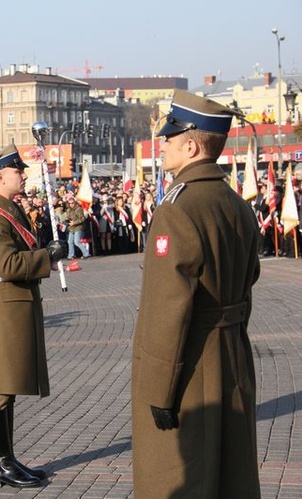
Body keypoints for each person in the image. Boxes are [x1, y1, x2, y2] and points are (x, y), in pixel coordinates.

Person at [131, 90, 261, 498]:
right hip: (233, 357)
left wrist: (157, 390)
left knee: (180, 480)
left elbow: (168, 309)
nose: (164, 143)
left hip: (189, 368)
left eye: (171, 136)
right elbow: (249, 277)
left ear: (191, 144)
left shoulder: (178, 208)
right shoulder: (236, 204)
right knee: (229, 477)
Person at [0, 145, 66, 488]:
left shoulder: (10, 211)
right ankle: (0, 464)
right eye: (17, 171)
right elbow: (6, 264)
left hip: (15, 302)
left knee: (6, 385)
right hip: (4, 303)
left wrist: (44, 253)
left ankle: (7, 459)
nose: (23, 175)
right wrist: (44, 257)